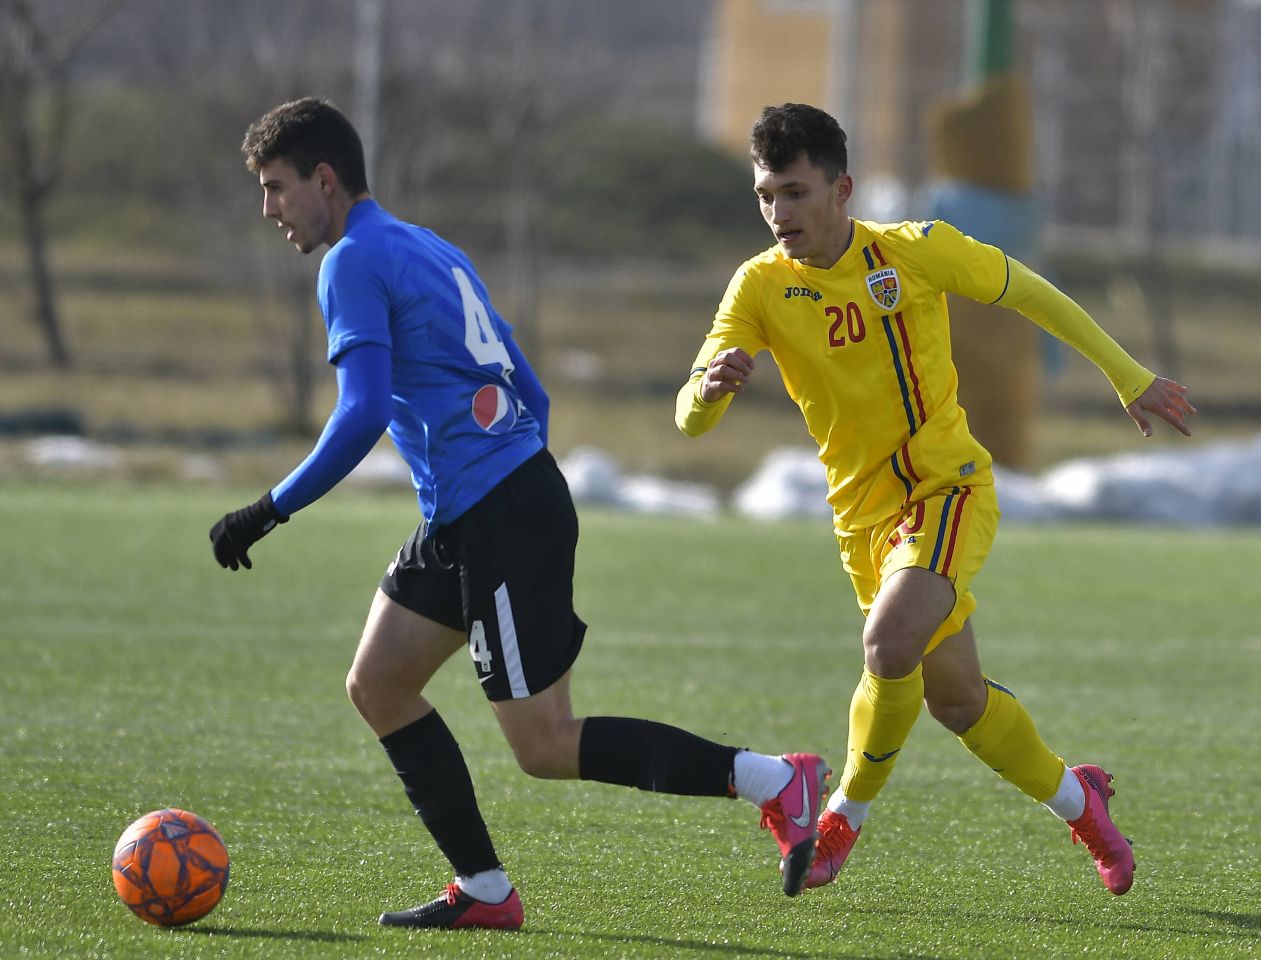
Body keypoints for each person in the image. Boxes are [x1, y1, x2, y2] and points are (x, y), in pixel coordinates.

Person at [209, 97, 830, 930]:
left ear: (325, 179)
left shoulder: (350, 260)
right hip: (481, 510)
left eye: (277, 188)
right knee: (380, 684)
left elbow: (359, 413)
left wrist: (268, 508)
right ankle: (485, 890)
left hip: (498, 513)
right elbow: (531, 392)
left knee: (544, 744)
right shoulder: (428, 246)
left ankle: (772, 781)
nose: (269, 210)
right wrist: (501, 477)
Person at [675, 103, 1195, 897]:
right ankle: (1079, 801)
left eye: (795, 192)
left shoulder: (914, 253)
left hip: (946, 489)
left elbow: (1033, 294)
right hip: (862, 526)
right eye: (766, 196)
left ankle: (843, 813)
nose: (779, 214)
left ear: (841, 188)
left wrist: (1129, 376)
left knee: (888, 647)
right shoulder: (758, 287)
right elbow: (690, 419)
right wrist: (709, 390)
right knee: (956, 702)